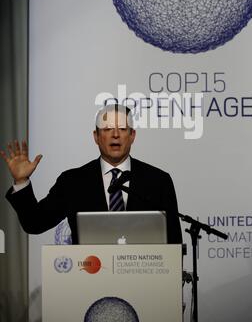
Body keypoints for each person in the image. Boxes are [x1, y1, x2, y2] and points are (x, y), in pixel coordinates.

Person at [1, 104, 182, 244]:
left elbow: (174, 241)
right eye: (107, 129)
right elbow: (35, 223)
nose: (116, 135)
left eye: (122, 129)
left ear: (132, 135)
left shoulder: (158, 181)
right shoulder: (72, 182)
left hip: (147, 282)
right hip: (89, 279)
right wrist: (21, 180)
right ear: (96, 136)